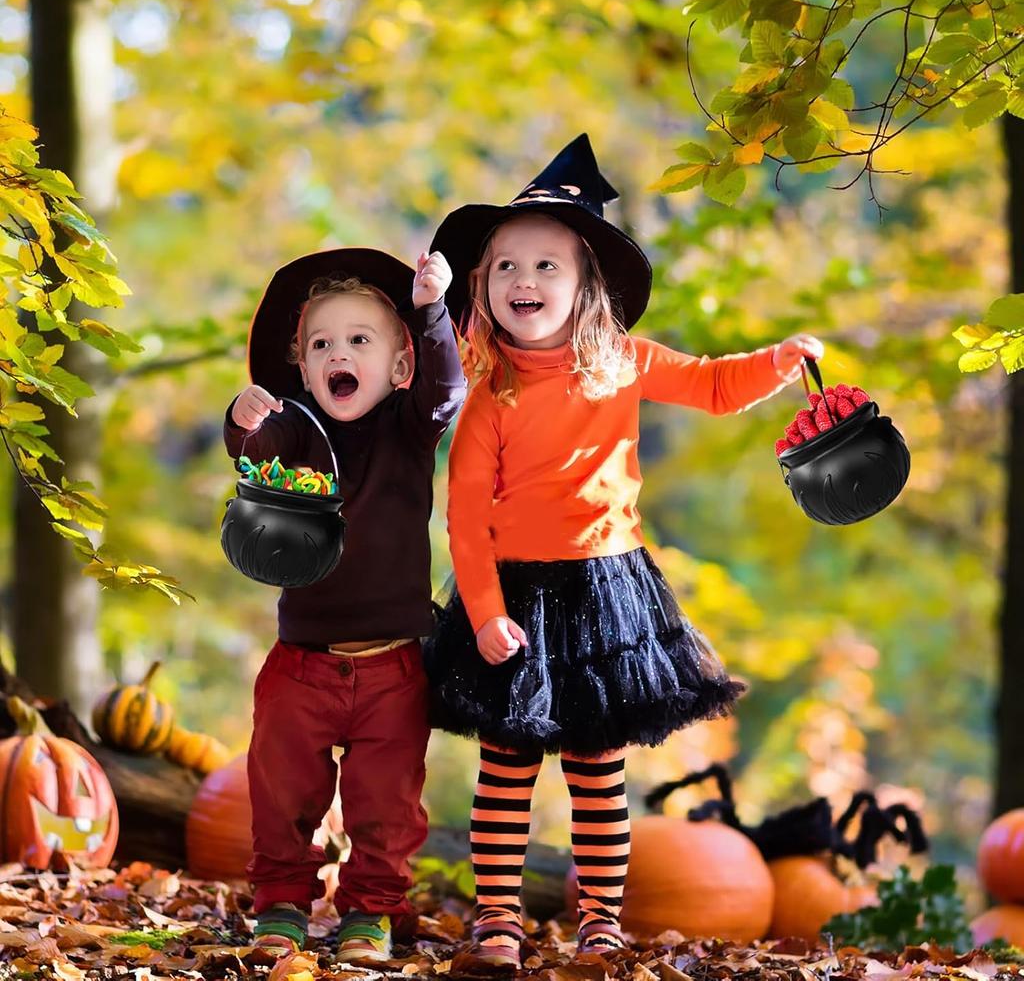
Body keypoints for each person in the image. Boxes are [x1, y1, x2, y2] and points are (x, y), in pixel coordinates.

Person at [424, 135, 823, 966]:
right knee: (507, 764)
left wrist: (780, 363)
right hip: (516, 595)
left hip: (608, 587)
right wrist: (488, 614)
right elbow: (465, 517)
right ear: (481, 288)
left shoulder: (624, 364)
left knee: (597, 767)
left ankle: (600, 911)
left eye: (545, 266)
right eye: (504, 268)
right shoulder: (491, 393)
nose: (523, 282)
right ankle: (497, 914)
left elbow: (714, 385)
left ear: (586, 284)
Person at [223, 248, 465, 962]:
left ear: (397, 367)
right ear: (301, 367)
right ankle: (282, 906)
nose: (339, 353)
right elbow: (252, 450)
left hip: (393, 668)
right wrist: (242, 419)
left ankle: (369, 911)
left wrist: (429, 312)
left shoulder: (409, 426)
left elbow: (445, 386)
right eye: (322, 343)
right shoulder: (299, 428)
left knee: (386, 805)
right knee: (282, 795)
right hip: (301, 664)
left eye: (361, 340)